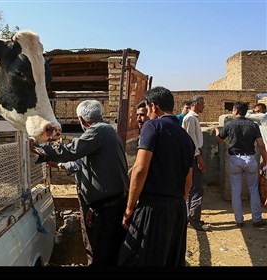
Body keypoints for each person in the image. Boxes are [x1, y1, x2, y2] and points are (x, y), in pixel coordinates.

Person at [30, 99, 129, 266]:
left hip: (105, 210)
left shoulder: (97, 132)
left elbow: (72, 150)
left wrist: (41, 149)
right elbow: (81, 163)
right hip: (110, 205)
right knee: (108, 251)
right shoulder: (108, 131)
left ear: (82, 120)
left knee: (101, 252)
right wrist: (59, 164)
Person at [118, 86, 195, 266]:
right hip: (177, 209)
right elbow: (188, 181)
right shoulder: (186, 138)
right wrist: (176, 203)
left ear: (153, 107)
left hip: (153, 207)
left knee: (135, 259)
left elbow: (139, 169)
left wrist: (129, 209)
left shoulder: (153, 126)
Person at [215, 101, 267, 228]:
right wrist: (265, 161)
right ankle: (256, 219)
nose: (232, 113)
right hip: (250, 158)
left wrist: (217, 131)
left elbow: (220, 140)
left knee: (236, 191)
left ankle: (239, 220)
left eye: (232, 110)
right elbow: (261, 145)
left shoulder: (230, 124)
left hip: (235, 160)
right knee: (254, 190)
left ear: (236, 111)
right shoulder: (253, 125)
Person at [182, 95, 208, 231]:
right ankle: (194, 218)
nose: (204, 106)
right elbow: (192, 142)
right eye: (202, 104)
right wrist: (199, 158)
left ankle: (190, 216)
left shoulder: (192, 118)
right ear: (197, 104)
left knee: (192, 188)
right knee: (197, 189)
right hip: (194, 156)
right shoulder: (191, 118)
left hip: (193, 155)